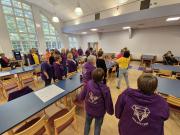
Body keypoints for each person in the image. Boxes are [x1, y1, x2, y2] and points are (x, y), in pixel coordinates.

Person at [77, 68, 114, 135]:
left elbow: (82, 94)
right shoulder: (106, 89)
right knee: (97, 126)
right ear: (103, 77)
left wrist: (80, 98)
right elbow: (108, 102)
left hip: (89, 109)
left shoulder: (89, 83)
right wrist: (110, 111)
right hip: (99, 112)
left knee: (87, 123)